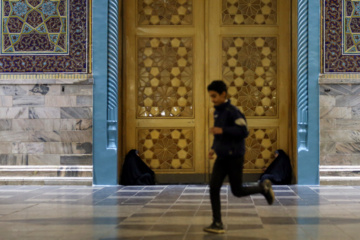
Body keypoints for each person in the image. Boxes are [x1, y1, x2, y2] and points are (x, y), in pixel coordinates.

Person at [204, 80, 275, 234]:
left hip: (235, 157)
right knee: (213, 188)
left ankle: (263, 187)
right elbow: (218, 133)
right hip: (222, 157)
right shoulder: (217, 111)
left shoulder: (233, 111)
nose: (213, 99)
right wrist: (213, 149)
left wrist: (223, 131)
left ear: (223, 94)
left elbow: (243, 131)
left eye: (215, 96)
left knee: (237, 191)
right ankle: (217, 223)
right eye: (211, 96)